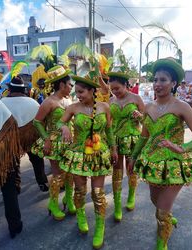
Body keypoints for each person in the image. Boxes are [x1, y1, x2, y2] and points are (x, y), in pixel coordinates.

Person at [129, 57, 192, 250]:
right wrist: (133, 157)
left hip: (174, 164)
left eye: (163, 80)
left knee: (161, 211)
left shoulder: (182, 106)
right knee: (155, 201)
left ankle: (162, 244)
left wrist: (182, 148)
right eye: (156, 80)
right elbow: (143, 137)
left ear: (174, 83)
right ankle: (168, 218)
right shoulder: (149, 107)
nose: (157, 84)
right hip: (152, 163)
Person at [59, 74, 117, 249]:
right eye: (76, 92)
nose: (79, 95)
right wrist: (64, 128)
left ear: (93, 91)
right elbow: (58, 123)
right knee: (80, 190)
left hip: (99, 154)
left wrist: (114, 149)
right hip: (78, 154)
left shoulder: (105, 107)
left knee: (98, 193)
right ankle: (81, 216)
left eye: (82, 92)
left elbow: (109, 130)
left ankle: (100, 227)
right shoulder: (73, 108)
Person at [32, 65, 75, 220]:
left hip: (70, 142)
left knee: (70, 173)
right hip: (55, 143)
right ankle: (53, 204)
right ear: (62, 85)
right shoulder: (49, 102)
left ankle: (69, 199)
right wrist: (46, 139)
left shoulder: (69, 100)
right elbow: (36, 122)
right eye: (70, 84)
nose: (71, 87)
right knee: (57, 175)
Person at [108, 71, 144, 221]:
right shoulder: (111, 101)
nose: (115, 92)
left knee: (131, 169)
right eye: (112, 89)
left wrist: (140, 116)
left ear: (125, 85)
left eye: (117, 88)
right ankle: (117, 205)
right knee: (117, 172)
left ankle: (131, 196)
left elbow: (146, 121)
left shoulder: (136, 98)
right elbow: (108, 123)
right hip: (116, 139)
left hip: (132, 139)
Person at [1, 76, 49, 192]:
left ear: (10, 90)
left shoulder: (2, 102)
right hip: (30, 138)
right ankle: (42, 182)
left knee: (12, 162)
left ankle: (15, 186)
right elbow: (41, 122)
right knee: (37, 159)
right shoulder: (33, 103)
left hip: (11, 139)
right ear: (23, 90)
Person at [0, 99, 22, 238]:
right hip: (5, 155)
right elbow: (13, 128)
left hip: (4, 155)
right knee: (9, 191)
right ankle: (15, 225)